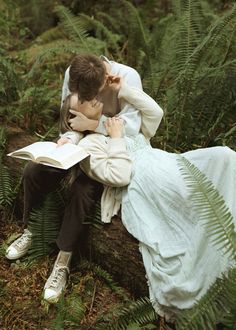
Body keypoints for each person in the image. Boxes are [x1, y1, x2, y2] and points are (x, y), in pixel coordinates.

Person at [61, 78, 236, 320]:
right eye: (80, 100)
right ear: (74, 117)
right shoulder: (89, 147)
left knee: (224, 157)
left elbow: (156, 113)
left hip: (168, 162)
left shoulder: (114, 121)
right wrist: (114, 137)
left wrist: (121, 90)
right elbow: (119, 176)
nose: (88, 96)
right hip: (143, 181)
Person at [5, 53, 149, 303]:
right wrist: (68, 139)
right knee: (34, 170)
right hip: (78, 142)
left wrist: (94, 125)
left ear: (105, 81)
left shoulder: (128, 77)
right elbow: (68, 117)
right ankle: (30, 230)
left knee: (83, 189)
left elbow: (133, 128)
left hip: (109, 149)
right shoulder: (73, 74)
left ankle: (63, 260)